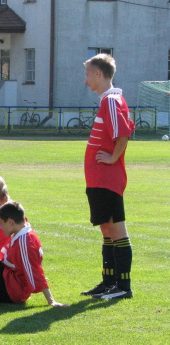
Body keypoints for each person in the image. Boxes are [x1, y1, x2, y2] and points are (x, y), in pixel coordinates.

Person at [80, 53, 134, 300]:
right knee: (106, 228)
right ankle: (108, 282)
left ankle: (123, 287)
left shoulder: (111, 101)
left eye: (88, 74)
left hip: (107, 179)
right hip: (98, 179)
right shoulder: (108, 100)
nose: (86, 80)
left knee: (116, 229)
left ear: (98, 74)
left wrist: (112, 159)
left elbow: (122, 133)